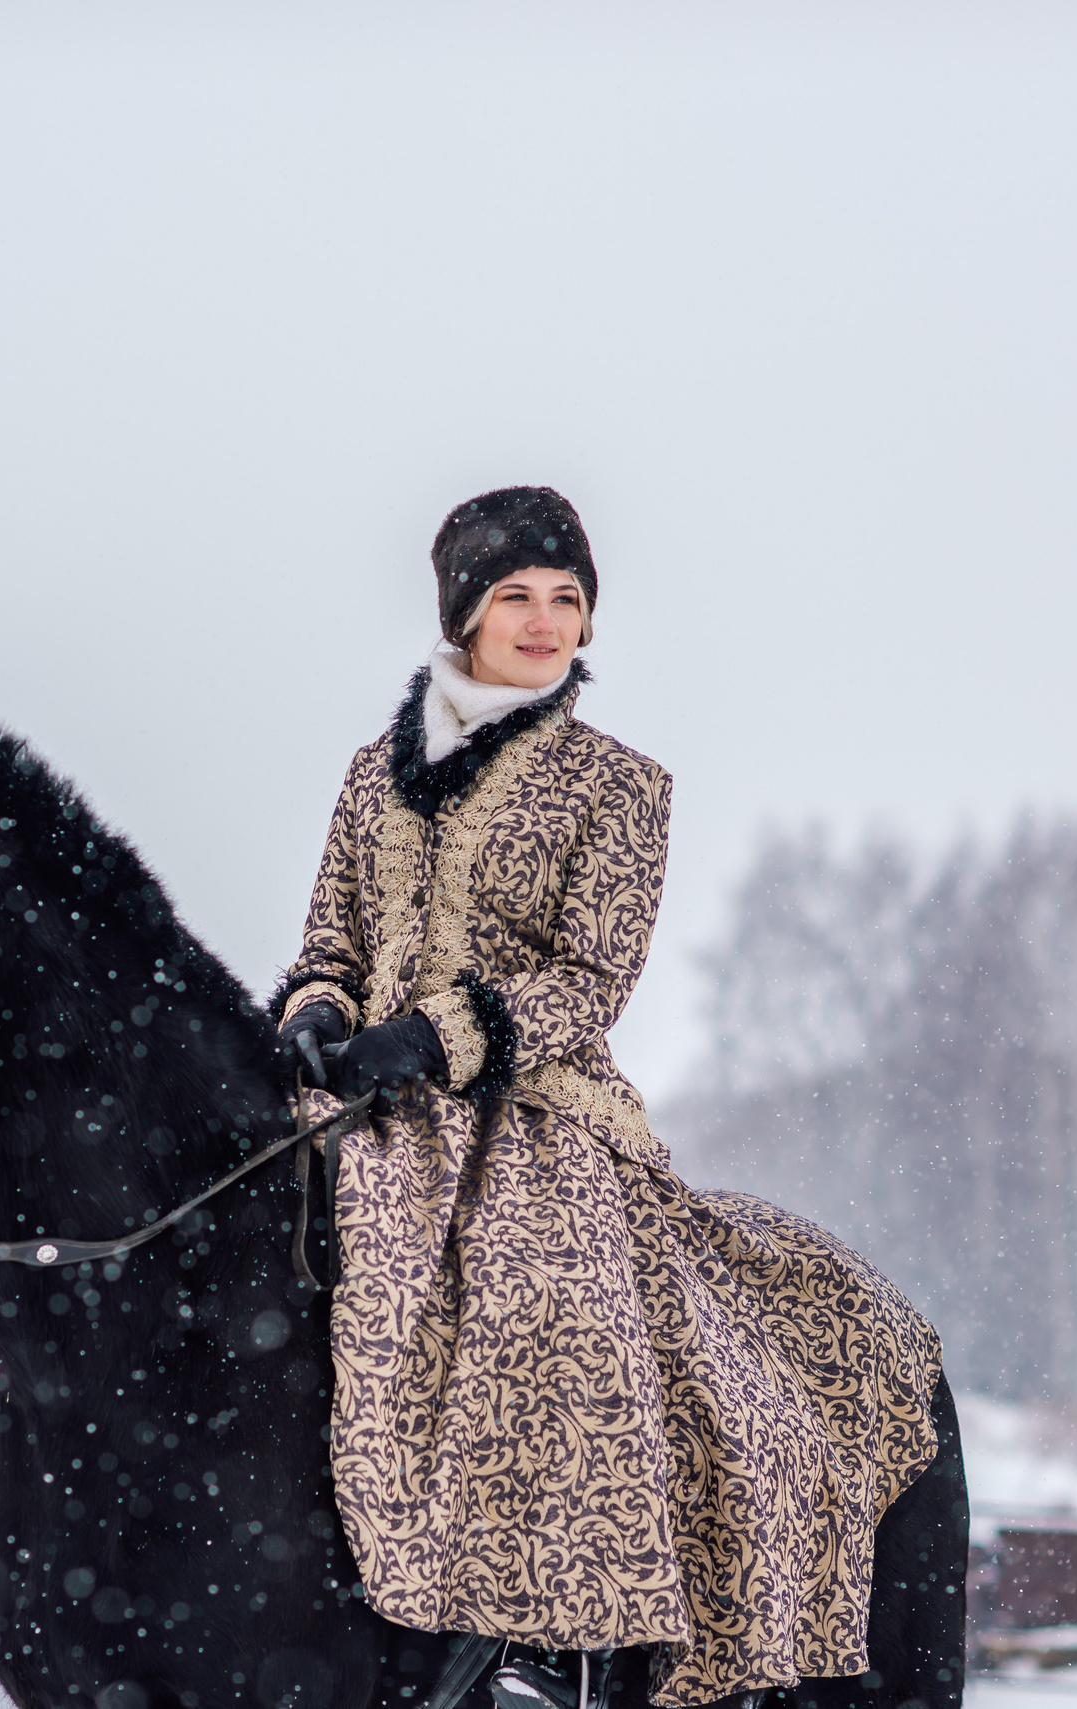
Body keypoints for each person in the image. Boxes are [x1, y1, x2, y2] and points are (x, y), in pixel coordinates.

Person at [273, 487, 950, 1709]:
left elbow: (591, 976)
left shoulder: (618, 784)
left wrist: (437, 1036)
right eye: (517, 598)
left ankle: (546, 1631)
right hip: (352, 1100)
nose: (544, 623)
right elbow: (329, 931)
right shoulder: (374, 770)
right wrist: (319, 1008)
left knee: (543, 1288)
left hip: (533, 1109)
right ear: (463, 614)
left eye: (567, 601)